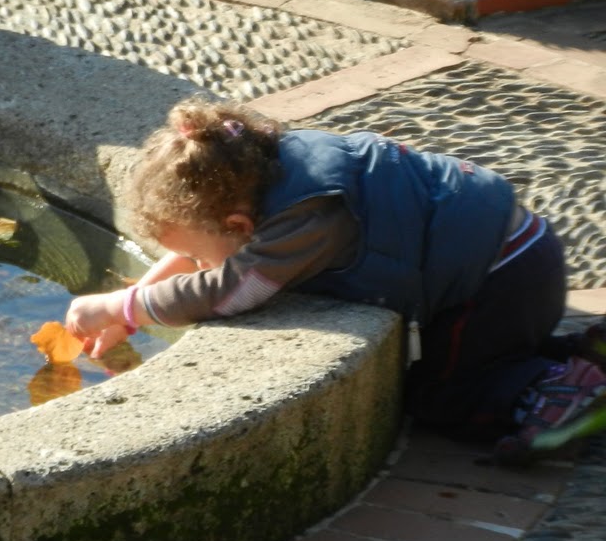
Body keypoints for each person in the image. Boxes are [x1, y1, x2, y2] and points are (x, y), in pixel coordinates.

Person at [54, 97, 604, 465]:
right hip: (517, 254)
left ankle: (557, 391)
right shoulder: (264, 168)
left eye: (199, 256)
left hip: (499, 280)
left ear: (239, 226)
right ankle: (581, 354)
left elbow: (232, 290)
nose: (197, 266)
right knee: (475, 356)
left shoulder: (307, 219)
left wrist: (122, 307)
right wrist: (133, 304)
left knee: (438, 397)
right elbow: (201, 253)